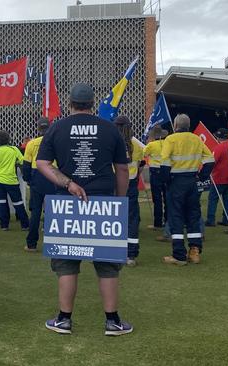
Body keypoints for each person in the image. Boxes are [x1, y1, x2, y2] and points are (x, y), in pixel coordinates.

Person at [36, 83, 133, 336]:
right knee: (108, 266)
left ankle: (64, 319)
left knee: (67, 264)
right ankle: (112, 321)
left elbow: (42, 163)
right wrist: (119, 200)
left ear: (70, 102)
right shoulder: (110, 129)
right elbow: (122, 169)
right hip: (103, 202)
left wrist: (67, 183)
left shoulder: (57, 127)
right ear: (93, 103)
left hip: (67, 203)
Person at [160, 114, 214, 265]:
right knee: (193, 216)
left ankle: (179, 255)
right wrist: (202, 176)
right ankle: (195, 251)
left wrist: (166, 181)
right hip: (192, 182)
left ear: (175, 125)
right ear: (189, 125)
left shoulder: (170, 139)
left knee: (176, 217)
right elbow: (210, 159)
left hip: (176, 182)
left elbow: (164, 162)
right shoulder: (196, 139)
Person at [114, 116, 144, 266]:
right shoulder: (135, 144)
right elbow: (142, 161)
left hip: (113, 183)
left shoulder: (112, 141)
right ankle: (130, 255)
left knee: (112, 217)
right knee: (132, 219)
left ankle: (110, 251)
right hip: (131, 184)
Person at [22, 117, 56, 252]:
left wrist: (28, 179)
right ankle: (53, 242)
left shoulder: (32, 143)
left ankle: (31, 244)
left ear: (38, 128)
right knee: (53, 211)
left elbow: (26, 165)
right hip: (53, 175)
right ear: (50, 127)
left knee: (35, 212)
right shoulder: (55, 141)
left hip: (37, 176)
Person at [0, 130, 29, 231]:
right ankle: (25, 224)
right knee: (18, 203)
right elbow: (22, 161)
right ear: (9, 139)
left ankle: (4, 225)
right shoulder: (14, 149)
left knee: (1, 202)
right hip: (12, 181)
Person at [206, 128, 228, 227]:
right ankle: (226, 219)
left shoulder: (219, 147)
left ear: (219, 137)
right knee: (227, 199)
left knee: (213, 199)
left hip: (219, 178)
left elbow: (212, 161)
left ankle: (210, 220)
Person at [143, 126, 168, 229]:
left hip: (155, 173)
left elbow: (143, 154)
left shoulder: (151, 145)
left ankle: (157, 223)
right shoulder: (167, 143)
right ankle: (167, 220)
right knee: (167, 197)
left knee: (157, 198)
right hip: (166, 171)